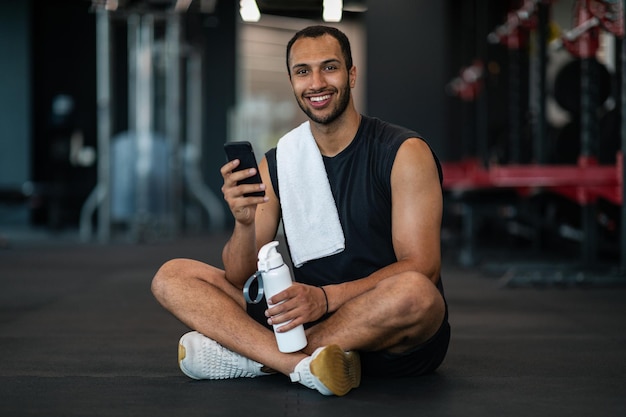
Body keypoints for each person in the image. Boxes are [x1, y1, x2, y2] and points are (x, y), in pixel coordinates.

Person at [151, 25, 450, 396]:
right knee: (172, 276)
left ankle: (258, 360)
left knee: (416, 293)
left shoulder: (403, 152)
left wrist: (325, 298)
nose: (316, 83)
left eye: (330, 67)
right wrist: (244, 224)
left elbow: (423, 266)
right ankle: (300, 364)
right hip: (302, 315)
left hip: (384, 326)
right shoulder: (279, 162)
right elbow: (239, 276)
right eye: (303, 71)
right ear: (292, 81)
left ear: (352, 74)